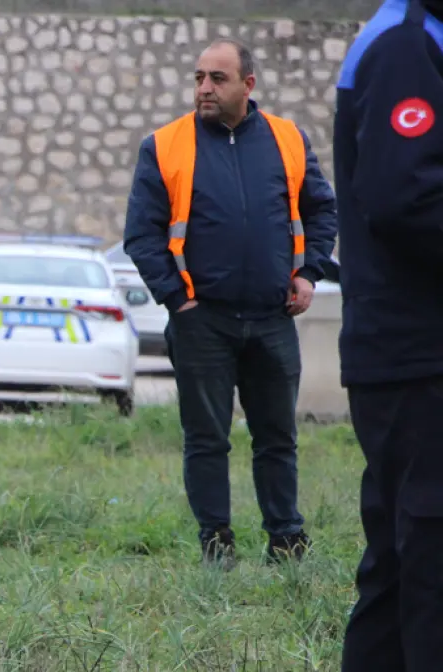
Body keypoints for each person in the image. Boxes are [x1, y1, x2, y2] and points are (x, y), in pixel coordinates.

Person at [122, 37, 338, 569]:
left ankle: (286, 542)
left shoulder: (288, 140)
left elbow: (322, 211)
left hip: (272, 317)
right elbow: (141, 236)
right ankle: (216, 545)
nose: (204, 88)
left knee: (277, 439)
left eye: (217, 78)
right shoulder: (165, 145)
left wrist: (309, 272)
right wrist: (176, 298)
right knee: (206, 440)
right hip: (203, 321)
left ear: (248, 85)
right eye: (198, 77)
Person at [323, 2, 443, 672]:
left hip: (405, 356)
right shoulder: (408, 46)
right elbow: (407, 194)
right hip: (420, 357)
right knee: (432, 576)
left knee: (402, 571)